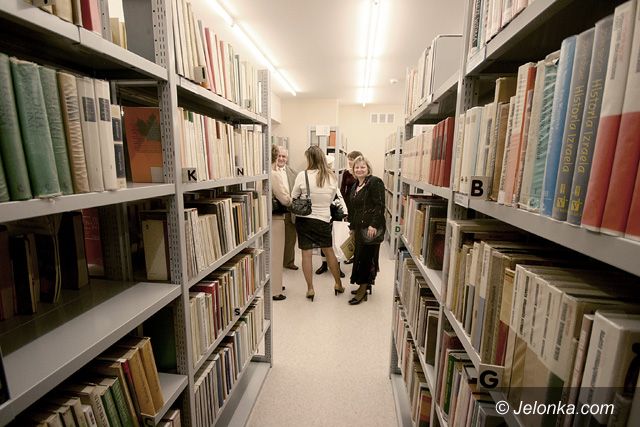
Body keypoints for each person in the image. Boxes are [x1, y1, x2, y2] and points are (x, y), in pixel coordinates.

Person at [291, 146, 345, 301]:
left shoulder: (302, 175)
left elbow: (294, 196)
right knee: (329, 252)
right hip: (323, 220)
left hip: (304, 220)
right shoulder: (331, 177)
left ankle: (310, 288)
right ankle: (338, 284)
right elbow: (332, 198)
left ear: (309, 158)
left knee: (306, 254)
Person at [347, 155, 385, 305]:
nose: (359, 169)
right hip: (358, 226)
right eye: (357, 167)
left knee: (366, 259)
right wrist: (352, 227)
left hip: (370, 228)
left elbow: (380, 205)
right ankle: (363, 284)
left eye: (363, 167)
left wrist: (373, 225)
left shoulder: (375, 182)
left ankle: (363, 290)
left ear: (368, 169)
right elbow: (353, 209)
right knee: (359, 256)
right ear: (353, 170)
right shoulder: (355, 185)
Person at [315, 154, 346, 277]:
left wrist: (343, 210)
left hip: (335, 213)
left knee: (336, 240)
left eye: (330, 166)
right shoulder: (316, 177)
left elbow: (337, 194)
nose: (329, 168)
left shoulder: (333, 177)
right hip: (323, 213)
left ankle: (337, 266)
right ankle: (324, 264)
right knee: (324, 241)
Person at [270, 144, 292, 301]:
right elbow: (285, 199)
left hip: (266, 218)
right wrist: (291, 199)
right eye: (279, 155)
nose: (281, 158)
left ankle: (274, 283)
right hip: (276, 219)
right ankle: (275, 290)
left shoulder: (264, 172)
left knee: (271, 255)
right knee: (277, 256)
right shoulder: (275, 175)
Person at [274, 146, 299, 270]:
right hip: (274, 210)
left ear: (287, 158)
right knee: (275, 237)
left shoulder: (294, 173)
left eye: (283, 156)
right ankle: (275, 263)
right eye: (278, 156)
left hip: (289, 209)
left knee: (290, 238)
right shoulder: (269, 171)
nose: (281, 158)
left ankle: (289, 262)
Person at [339, 150, 362, 265]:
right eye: (349, 160)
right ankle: (351, 254)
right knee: (351, 230)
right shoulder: (346, 173)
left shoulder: (360, 172)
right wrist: (343, 205)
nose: (349, 162)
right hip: (348, 204)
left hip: (358, 204)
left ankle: (358, 255)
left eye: (351, 160)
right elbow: (342, 189)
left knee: (358, 230)